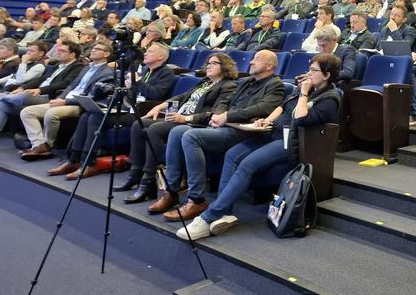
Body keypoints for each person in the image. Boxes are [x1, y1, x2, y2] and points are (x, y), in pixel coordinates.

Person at [177, 53, 341, 240]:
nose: (308, 73)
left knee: (247, 164)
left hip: (290, 142)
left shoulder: (329, 98)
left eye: (313, 70)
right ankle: (224, 212)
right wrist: (266, 120)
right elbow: (283, 106)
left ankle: (208, 217)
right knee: (232, 154)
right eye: (309, 69)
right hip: (271, 132)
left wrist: (304, 92)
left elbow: (301, 118)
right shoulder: (303, 88)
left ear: (327, 75)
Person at [141, 51, 284, 214]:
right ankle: (171, 191)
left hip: (242, 132)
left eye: (256, 60)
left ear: (269, 66)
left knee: (190, 136)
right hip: (224, 125)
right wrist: (219, 115)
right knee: (177, 131)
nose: (251, 62)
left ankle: (196, 199)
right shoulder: (246, 82)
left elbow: (262, 108)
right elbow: (225, 101)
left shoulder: (275, 85)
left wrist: (226, 116)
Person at [49, 42, 176, 179]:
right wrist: (126, 88)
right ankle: (73, 160)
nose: (145, 53)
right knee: (88, 115)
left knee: (96, 118)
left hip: (143, 113)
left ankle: (88, 163)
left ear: (160, 57)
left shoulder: (167, 73)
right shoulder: (145, 71)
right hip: (128, 108)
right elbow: (134, 93)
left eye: (150, 51)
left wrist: (137, 81)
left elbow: (155, 94)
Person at [139, 54, 239, 211]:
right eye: (208, 63)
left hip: (195, 123)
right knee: (141, 124)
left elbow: (215, 113)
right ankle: (160, 185)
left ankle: (162, 184)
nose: (208, 66)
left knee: (160, 129)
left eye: (214, 63)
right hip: (179, 117)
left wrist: (185, 118)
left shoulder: (228, 86)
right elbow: (182, 96)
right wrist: (161, 106)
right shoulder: (204, 82)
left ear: (225, 67)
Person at [19, 41, 115, 160]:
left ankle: (48, 145)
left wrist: (65, 102)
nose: (93, 50)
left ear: (106, 54)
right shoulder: (86, 68)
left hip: (79, 104)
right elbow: (71, 86)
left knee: (51, 113)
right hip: (65, 100)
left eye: (98, 49)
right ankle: (39, 145)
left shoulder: (107, 73)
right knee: (27, 112)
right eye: (93, 48)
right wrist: (60, 98)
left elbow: (91, 97)